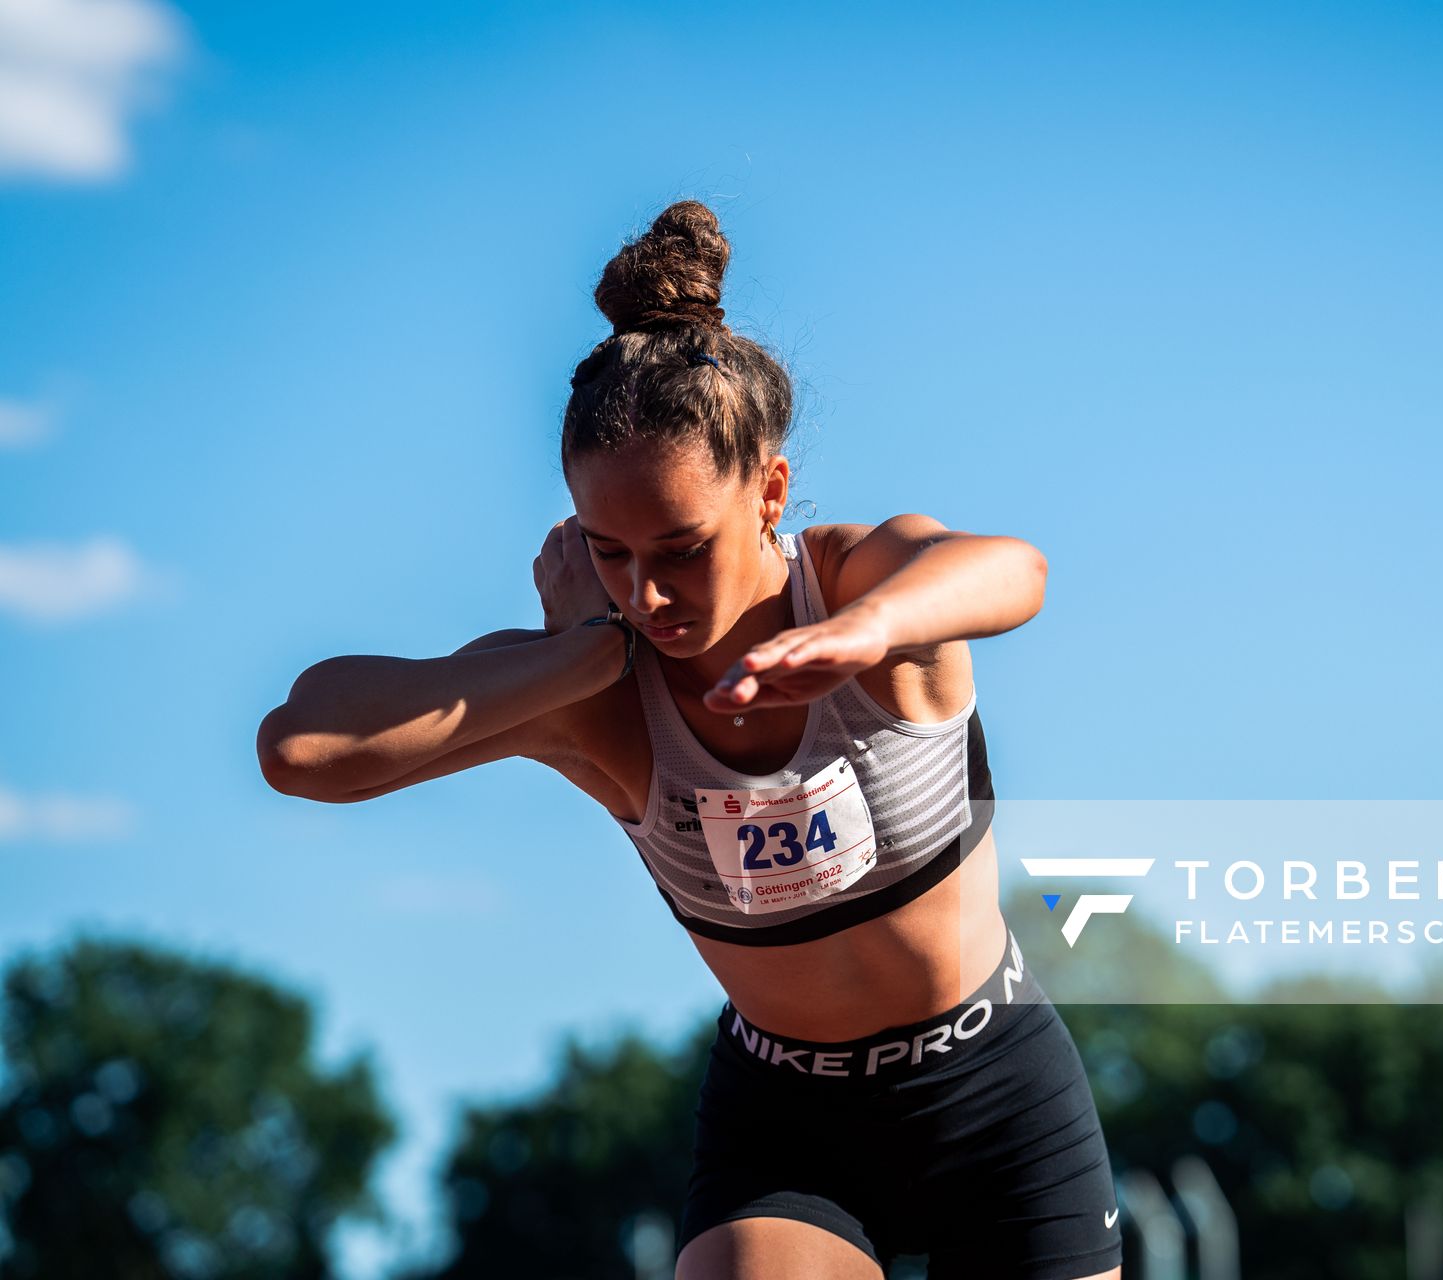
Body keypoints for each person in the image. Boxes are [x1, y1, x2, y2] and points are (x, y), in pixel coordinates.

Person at [257, 200, 1124, 1280]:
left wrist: (865, 629)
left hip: (992, 1092)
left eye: (681, 546)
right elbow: (301, 747)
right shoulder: (604, 693)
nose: (649, 590)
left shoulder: (858, 588)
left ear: (768, 490)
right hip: (786, 1125)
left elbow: (1015, 569)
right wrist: (577, 653)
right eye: (610, 552)